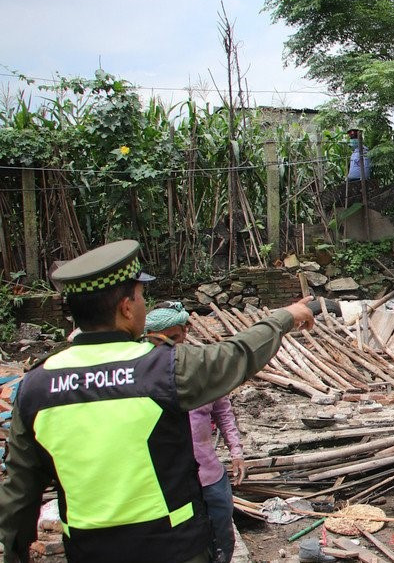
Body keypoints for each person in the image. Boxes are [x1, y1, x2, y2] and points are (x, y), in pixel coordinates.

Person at [0, 239, 315, 563]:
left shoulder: (35, 388)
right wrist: (284, 317)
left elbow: (18, 497)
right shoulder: (164, 368)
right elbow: (237, 355)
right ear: (125, 308)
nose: (143, 306)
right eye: (140, 297)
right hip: (175, 550)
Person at [146, 301, 246, 563]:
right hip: (169, 481)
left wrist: (236, 451)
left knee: (222, 530)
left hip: (208, 473)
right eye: (164, 340)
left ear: (186, 332)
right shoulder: (144, 377)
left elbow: (224, 412)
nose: (171, 345)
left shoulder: (202, 370)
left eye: (176, 337)